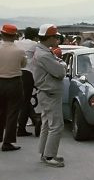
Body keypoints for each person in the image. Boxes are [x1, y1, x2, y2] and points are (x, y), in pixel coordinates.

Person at [32, 24, 67, 167]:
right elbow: (60, 72)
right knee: (56, 125)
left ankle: (44, 153)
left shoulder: (43, 51)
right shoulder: (45, 54)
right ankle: (49, 156)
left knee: (47, 124)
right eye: (55, 37)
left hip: (46, 92)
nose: (57, 39)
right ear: (49, 37)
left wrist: (59, 63)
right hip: (50, 92)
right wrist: (62, 64)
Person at [0, 24, 26, 151]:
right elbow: (23, 64)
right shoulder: (19, 51)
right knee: (13, 112)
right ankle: (8, 141)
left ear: (2, 34)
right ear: (15, 36)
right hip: (14, 82)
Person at [15, 27, 41, 137]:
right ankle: (23, 127)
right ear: (35, 36)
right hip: (28, 74)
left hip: (15, 74)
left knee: (21, 100)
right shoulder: (35, 45)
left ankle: (34, 120)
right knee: (25, 101)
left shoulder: (17, 43)